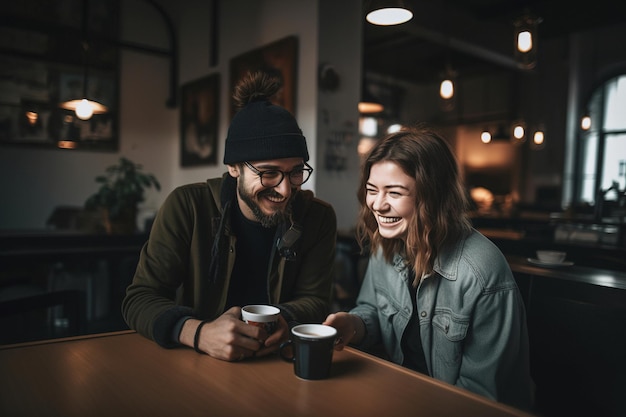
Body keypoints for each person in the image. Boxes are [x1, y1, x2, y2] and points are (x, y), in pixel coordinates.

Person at [123, 71, 337, 362]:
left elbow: (316, 300)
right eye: (268, 172)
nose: (285, 190)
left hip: (278, 365)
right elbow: (140, 298)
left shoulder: (317, 217)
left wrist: (284, 319)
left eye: (296, 172)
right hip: (195, 362)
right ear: (234, 167)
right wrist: (198, 333)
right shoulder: (188, 206)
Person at [323, 125, 532, 410]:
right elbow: (372, 310)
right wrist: (354, 324)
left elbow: (479, 399)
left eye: (394, 193)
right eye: (372, 190)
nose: (378, 204)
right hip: (399, 396)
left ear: (432, 197)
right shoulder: (386, 246)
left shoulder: (483, 273)